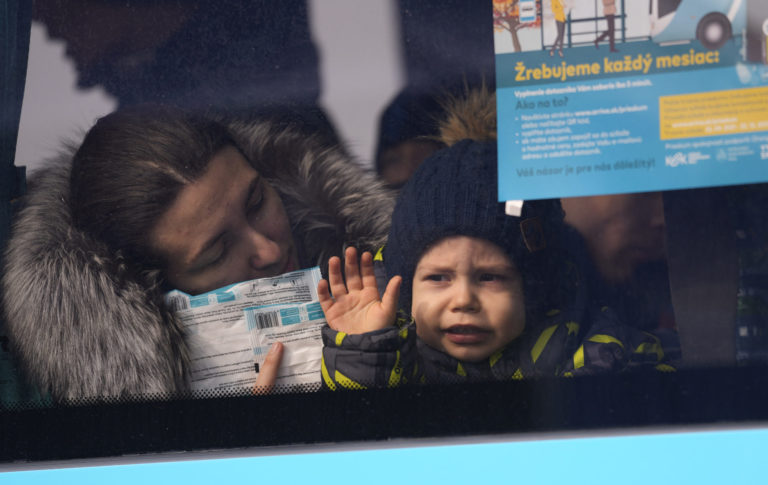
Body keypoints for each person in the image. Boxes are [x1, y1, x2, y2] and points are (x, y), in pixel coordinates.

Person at [1, 104, 394, 400]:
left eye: (257, 202)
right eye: (217, 253)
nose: (269, 250)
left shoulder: (409, 280)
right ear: (150, 293)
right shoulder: (69, 425)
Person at [318, 91, 671, 388]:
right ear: (406, 290)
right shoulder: (393, 361)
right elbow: (360, 433)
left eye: (490, 277)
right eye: (438, 277)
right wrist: (363, 353)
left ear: (533, 289)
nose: (464, 300)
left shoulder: (600, 356)